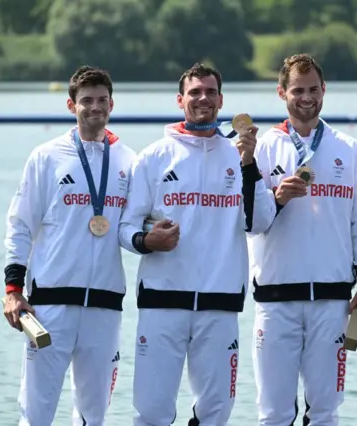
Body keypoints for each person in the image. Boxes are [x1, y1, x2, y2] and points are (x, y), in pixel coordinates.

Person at [118, 62, 277, 426]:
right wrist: (147, 240)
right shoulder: (154, 156)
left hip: (219, 307)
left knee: (215, 413)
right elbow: (124, 228)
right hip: (162, 302)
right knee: (152, 412)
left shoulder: (243, 156)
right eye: (195, 92)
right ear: (180, 100)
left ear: (221, 100)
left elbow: (259, 223)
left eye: (210, 92)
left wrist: (249, 164)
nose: (202, 98)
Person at [247, 53, 357, 426]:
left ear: (324, 90)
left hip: (332, 301)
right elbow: (250, 224)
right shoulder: (261, 149)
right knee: (274, 413)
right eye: (297, 90)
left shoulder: (348, 149)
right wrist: (276, 199)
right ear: (281, 93)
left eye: (313, 89)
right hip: (276, 301)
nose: (306, 97)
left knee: (325, 412)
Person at [2, 65, 137, 425]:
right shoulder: (46, 156)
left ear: (112, 103)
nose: (95, 107)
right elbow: (19, 225)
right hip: (50, 308)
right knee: (36, 414)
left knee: (94, 416)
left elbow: (134, 227)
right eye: (86, 100)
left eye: (102, 100)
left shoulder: (127, 160)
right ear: (70, 105)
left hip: (104, 310)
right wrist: (13, 289)